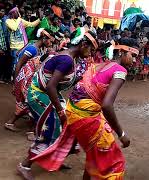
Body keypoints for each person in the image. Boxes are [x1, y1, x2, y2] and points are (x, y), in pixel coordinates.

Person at [25, 38, 137, 179]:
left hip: (73, 111)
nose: (134, 61)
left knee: (91, 150)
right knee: (112, 160)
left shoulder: (100, 64)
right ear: (121, 51)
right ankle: (25, 164)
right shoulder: (120, 71)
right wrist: (121, 134)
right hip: (82, 115)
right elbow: (107, 105)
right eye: (133, 56)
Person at [17, 27, 98, 180]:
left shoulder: (71, 58)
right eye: (91, 49)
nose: (91, 54)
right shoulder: (67, 59)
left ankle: (56, 158)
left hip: (46, 93)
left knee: (67, 126)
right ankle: (24, 165)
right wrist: (60, 112)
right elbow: (50, 86)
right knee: (52, 129)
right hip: (38, 94)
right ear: (83, 44)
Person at [5, 28, 55, 133]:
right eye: (50, 40)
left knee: (27, 101)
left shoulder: (39, 48)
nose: (50, 43)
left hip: (28, 78)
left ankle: (18, 124)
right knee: (31, 101)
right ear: (44, 38)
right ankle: (30, 129)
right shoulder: (33, 49)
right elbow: (19, 63)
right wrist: (15, 81)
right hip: (23, 78)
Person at [6, 7, 40, 76]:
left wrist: (40, 19)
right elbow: (14, 28)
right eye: (17, 12)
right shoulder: (8, 21)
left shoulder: (20, 20)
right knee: (15, 63)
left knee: (22, 63)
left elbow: (31, 24)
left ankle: (19, 78)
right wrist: (19, 19)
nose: (18, 13)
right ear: (12, 13)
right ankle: (14, 78)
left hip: (23, 46)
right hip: (15, 47)